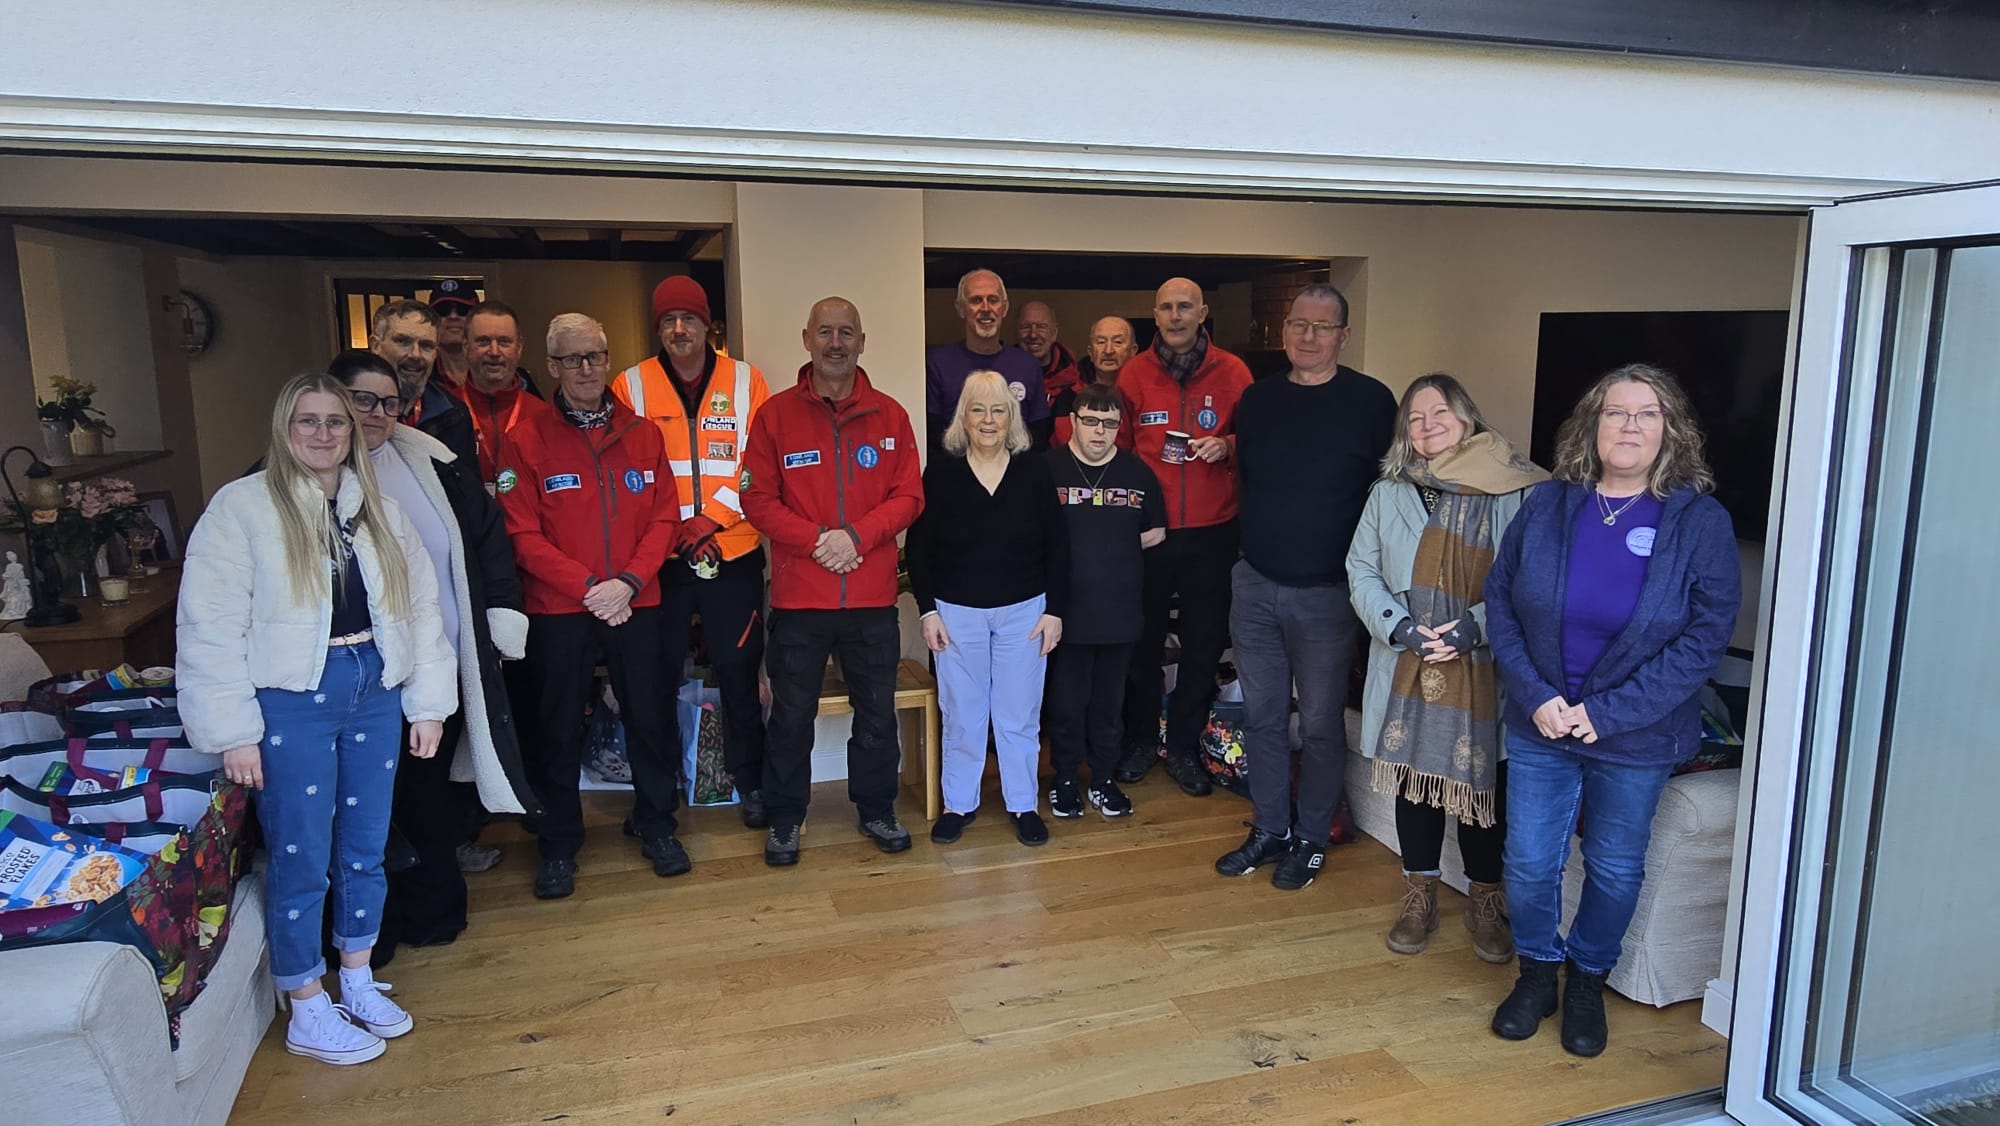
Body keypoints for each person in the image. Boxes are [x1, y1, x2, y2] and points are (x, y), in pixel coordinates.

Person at [177, 372, 455, 1066]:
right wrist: (234, 730)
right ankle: (305, 1001)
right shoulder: (240, 509)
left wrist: (427, 704)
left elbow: (420, 612)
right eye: (309, 421)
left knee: (364, 844)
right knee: (301, 853)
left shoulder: (380, 511)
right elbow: (208, 626)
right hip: (292, 699)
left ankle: (356, 978)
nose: (325, 433)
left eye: (336, 420)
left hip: (374, 685)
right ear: (284, 429)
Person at [1484, 363, 1740, 1057]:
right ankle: (1537, 973)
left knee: (1616, 866)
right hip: (1540, 723)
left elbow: (1704, 638)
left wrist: (1607, 712)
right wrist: (1537, 698)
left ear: (1670, 431)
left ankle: (1588, 980)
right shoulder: (1547, 505)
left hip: (1637, 735)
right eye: (1616, 413)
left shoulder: (1699, 522)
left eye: (1647, 414)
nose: (1629, 426)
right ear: (1591, 427)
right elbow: (1500, 602)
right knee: (1530, 861)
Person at [326, 349, 535, 949]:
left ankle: (432, 914)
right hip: (350, 678)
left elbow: (490, 538)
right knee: (360, 806)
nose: (377, 413)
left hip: (436, 668)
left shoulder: (431, 460)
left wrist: (501, 618)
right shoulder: (291, 473)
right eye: (362, 399)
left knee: (426, 796)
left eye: (388, 403)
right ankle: (367, 932)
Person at [1347, 372, 1544, 959]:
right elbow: (1361, 570)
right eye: (1416, 417)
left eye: (1441, 414)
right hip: (1409, 661)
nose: (1428, 426)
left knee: (1485, 785)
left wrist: (1471, 629)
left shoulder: (1516, 489)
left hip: (1481, 666)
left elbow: (1527, 579)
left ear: (1467, 417)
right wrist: (1400, 628)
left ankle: (1486, 899)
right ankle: (1420, 892)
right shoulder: (1388, 491)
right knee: (1416, 783)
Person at [494, 313, 686, 900]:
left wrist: (626, 582)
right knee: (556, 729)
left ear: (608, 361)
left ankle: (656, 824)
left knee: (650, 719)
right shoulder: (524, 439)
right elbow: (520, 534)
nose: (586, 368)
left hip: (637, 600)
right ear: (551, 366)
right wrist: (588, 587)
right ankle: (557, 843)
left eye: (596, 356)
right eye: (572, 359)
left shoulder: (645, 434)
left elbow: (664, 518)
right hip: (560, 609)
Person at [1212, 283, 1395, 889]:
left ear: (1344, 335)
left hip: (1327, 594)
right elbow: (1251, 479)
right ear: (1284, 330)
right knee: (1261, 717)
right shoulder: (1258, 401)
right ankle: (1269, 827)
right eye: (1298, 325)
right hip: (1256, 584)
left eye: (1322, 327)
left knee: (1318, 724)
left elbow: (1388, 494)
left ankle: (1312, 837)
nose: (1308, 337)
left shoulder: (1371, 402)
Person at [740, 296, 924, 866]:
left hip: (870, 600)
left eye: (847, 332)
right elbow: (756, 497)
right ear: (807, 339)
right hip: (801, 599)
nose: (836, 342)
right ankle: (786, 817)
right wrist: (818, 539)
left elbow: (909, 496)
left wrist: (857, 538)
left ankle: (876, 809)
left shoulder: (890, 415)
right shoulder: (774, 416)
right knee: (791, 716)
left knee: (876, 712)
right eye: (826, 332)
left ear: (862, 341)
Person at [611, 276, 773, 828]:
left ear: (709, 326)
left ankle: (752, 784)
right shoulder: (629, 385)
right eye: (667, 321)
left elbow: (759, 466)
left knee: (739, 671)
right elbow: (624, 470)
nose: (679, 330)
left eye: (689, 319)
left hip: (734, 552)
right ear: (657, 329)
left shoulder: (748, 381)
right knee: (653, 678)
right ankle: (657, 799)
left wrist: (711, 518)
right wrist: (674, 527)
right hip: (662, 560)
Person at [908, 371, 1068, 847]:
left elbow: (1059, 545)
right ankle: (959, 803)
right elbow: (919, 548)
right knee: (962, 712)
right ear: (963, 417)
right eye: (978, 409)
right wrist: (927, 611)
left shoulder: (1035, 469)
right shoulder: (942, 472)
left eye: (999, 410)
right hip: (956, 613)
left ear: (1012, 417)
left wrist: (1054, 610)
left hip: (1025, 610)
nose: (989, 420)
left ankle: (1023, 804)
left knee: (1019, 714)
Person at [1112, 277, 1251, 796]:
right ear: (1155, 313)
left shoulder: (1234, 372)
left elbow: (1256, 437)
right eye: (1166, 308)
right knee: (1141, 641)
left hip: (1214, 530)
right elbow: (1118, 456)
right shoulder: (1133, 374)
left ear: (1202, 313)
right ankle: (1142, 739)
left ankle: (1186, 747)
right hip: (1150, 532)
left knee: (1203, 643)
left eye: (1184, 307)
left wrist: (1230, 445)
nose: (1175, 316)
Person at [1043, 383, 1164, 820]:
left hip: (1119, 611)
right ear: (1073, 421)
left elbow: (1155, 532)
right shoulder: (1048, 468)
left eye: (1110, 423)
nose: (1100, 431)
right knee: (1067, 702)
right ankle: (1065, 779)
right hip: (1064, 613)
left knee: (1110, 703)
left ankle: (1104, 778)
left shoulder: (1137, 473)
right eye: (1090, 421)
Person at [926, 269, 1050, 459]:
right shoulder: (938, 363)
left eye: (993, 300)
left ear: (1005, 308)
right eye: (976, 300)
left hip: (1015, 477)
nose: (986, 308)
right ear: (960, 309)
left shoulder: (1027, 366)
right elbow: (932, 437)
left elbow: (1039, 438)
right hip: (956, 477)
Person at [369, 298, 476, 469]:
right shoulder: (345, 411)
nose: (415, 355)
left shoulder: (455, 415)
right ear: (375, 346)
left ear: (436, 353)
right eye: (403, 342)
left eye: (426, 346)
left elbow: (468, 493)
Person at [457, 300, 549, 489]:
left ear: (519, 348)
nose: (494, 352)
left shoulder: (544, 416)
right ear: (465, 347)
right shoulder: (444, 412)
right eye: (483, 341)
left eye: (504, 342)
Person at [1052, 315, 1138, 448]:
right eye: (1101, 342)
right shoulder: (1069, 397)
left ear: (1133, 351)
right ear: (1091, 352)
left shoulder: (1142, 394)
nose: (1108, 350)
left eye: (1118, 342)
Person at [1017, 300, 1082, 416]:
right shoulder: (1002, 375)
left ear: (1054, 333)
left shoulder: (1074, 379)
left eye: (1041, 327)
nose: (1033, 335)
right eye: (1025, 327)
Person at [428, 279, 479, 394]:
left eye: (463, 310)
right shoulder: (420, 374)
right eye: (443, 310)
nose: (453, 316)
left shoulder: (496, 371)